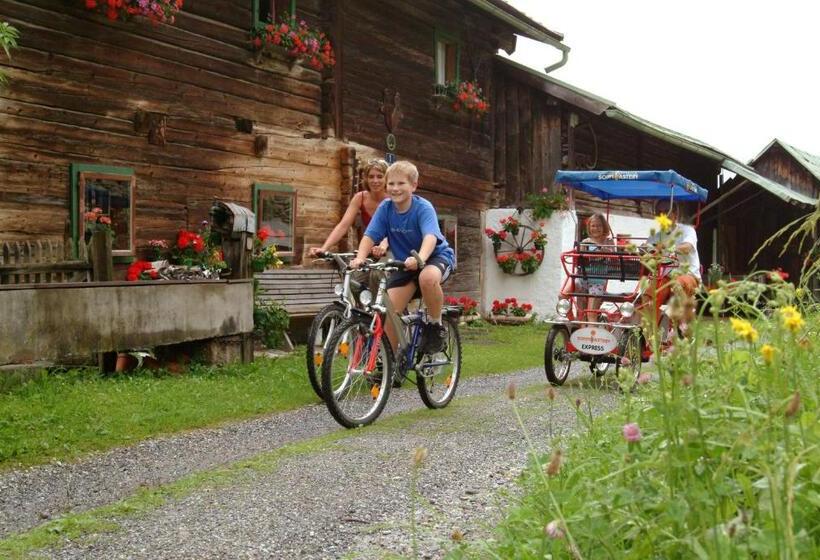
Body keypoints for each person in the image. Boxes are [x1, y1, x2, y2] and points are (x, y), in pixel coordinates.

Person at [350, 160, 455, 355]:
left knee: (428, 278)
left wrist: (421, 258)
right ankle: (389, 365)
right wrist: (360, 258)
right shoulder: (386, 208)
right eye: (391, 184)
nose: (395, 188)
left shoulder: (423, 208)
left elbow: (430, 237)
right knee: (390, 312)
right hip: (405, 264)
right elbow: (370, 236)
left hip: (434, 258)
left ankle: (435, 326)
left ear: (413, 186)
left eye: (401, 184)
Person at [309, 159, 390, 258]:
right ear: (366, 179)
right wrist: (324, 248)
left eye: (380, 177)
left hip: (393, 246)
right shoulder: (360, 198)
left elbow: (395, 228)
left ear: (387, 179)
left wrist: (383, 245)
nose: (375, 181)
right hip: (370, 247)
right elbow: (343, 225)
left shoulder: (392, 199)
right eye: (371, 177)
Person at [575, 213, 614, 320]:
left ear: (604, 227)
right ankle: (576, 327)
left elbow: (614, 258)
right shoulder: (586, 242)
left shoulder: (608, 241)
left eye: (599, 226)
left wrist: (606, 251)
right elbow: (580, 259)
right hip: (583, 277)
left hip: (598, 279)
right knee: (565, 295)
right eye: (593, 226)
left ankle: (592, 334)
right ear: (589, 227)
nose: (595, 228)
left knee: (591, 313)